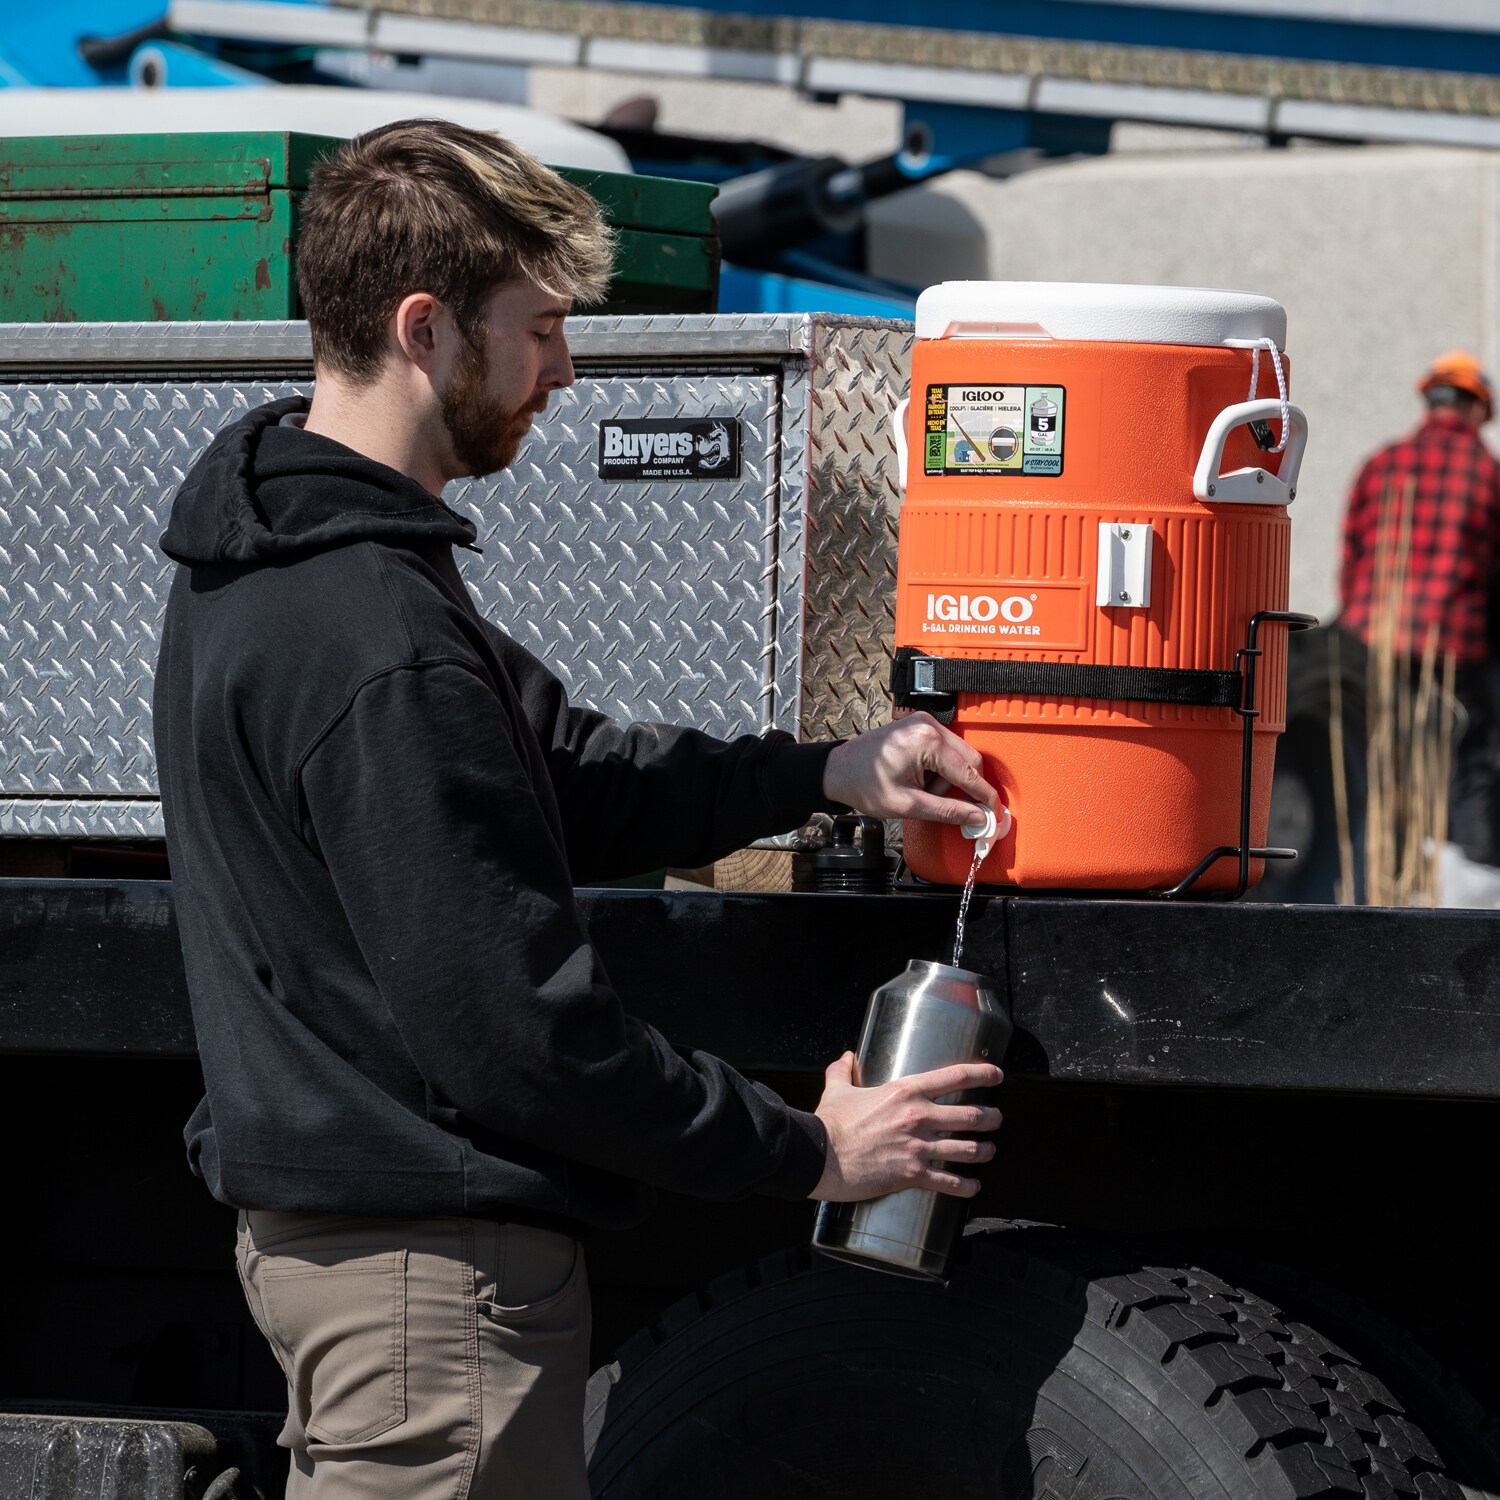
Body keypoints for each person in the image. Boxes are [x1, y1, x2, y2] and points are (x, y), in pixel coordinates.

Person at [151, 119, 1005, 1499]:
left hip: (346, 1264)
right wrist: (810, 1152)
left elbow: (562, 775)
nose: (563, 366)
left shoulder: (266, 564)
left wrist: (823, 772)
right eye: (538, 327)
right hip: (432, 1298)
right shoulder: (384, 641)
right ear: (426, 330)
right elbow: (520, 1036)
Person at [1338, 349, 1500, 869]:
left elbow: (1351, 563)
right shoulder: (1488, 475)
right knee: (1468, 766)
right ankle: (1470, 898)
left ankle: (1386, 878)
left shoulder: (1381, 465)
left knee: (1385, 762)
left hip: (1376, 642)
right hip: (1459, 649)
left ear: (1430, 401)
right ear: (1475, 409)